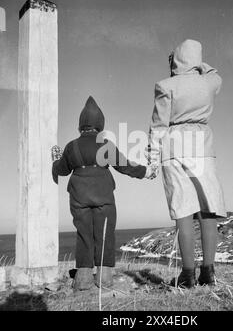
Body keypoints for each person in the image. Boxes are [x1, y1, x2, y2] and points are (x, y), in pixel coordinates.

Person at [52, 96, 156, 291]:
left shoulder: (71, 146)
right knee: (105, 234)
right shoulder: (105, 144)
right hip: (104, 196)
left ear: (81, 124)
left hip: (78, 196)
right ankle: (104, 279)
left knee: (84, 235)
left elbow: (63, 170)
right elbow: (125, 166)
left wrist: (55, 160)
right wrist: (146, 172)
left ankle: (83, 279)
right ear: (100, 124)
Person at [146, 39, 226, 288]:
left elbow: (158, 125)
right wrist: (195, 65)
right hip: (203, 144)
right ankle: (208, 272)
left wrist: (151, 158)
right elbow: (213, 72)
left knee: (183, 208)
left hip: (174, 146)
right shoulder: (210, 82)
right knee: (208, 208)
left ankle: (188, 274)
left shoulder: (166, 85)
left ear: (176, 59)